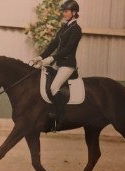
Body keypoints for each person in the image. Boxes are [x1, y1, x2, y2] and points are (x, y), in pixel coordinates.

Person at [33, 0, 82, 130]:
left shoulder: (76, 29)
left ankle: (62, 117)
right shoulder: (64, 27)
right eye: (63, 11)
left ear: (74, 12)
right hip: (59, 63)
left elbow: (68, 49)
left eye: (66, 11)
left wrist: (52, 58)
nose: (63, 14)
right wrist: (41, 56)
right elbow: (54, 44)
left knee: (54, 87)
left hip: (67, 64)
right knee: (43, 80)